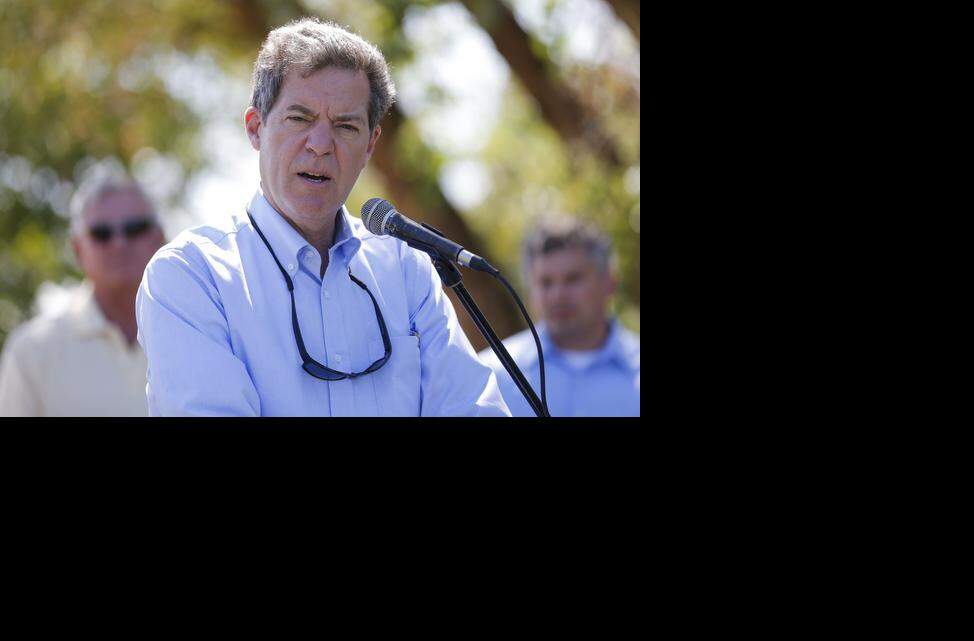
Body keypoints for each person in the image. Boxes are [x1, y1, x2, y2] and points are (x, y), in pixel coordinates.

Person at [135, 17, 507, 416]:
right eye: (300, 118)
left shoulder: (405, 267)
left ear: (370, 146)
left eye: (345, 126)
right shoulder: (191, 274)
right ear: (256, 128)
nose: (320, 145)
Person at [0, 168, 167, 416]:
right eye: (101, 233)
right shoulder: (31, 352)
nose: (119, 243)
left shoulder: (202, 332)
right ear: (78, 249)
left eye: (135, 228)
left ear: (160, 239)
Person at [479, 217, 639, 417]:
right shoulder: (490, 377)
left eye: (573, 279)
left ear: (609, 283)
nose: (558, 295)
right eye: (546, 282)